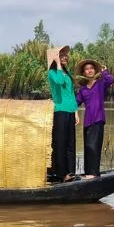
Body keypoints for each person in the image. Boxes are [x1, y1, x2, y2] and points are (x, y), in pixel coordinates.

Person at [75, 59, 114, 179]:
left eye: (91, 68)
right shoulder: (83, 89)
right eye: (87, 69)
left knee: (94, 146)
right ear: (84, 72)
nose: (89, 70)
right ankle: (88, 172)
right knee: (87, 147)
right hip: (87, 121)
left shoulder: (100, 83)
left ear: (95, 70)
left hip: (98, 119)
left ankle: (93, 173)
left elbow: (111, 80)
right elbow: (75, 102)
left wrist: (105, 71)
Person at [47, 45, 79, 182]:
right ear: (55, 58)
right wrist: (58, 64)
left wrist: (76, 112)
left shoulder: (67, 73)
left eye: (65, 55)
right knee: (60, 143)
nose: (65, 57)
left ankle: (70, 172)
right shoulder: (53, 73)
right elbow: (59, 82)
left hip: (70, 111)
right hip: (59, 110)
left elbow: (71, 93)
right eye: (62, 55)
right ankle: (61, 173)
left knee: (71, 143)